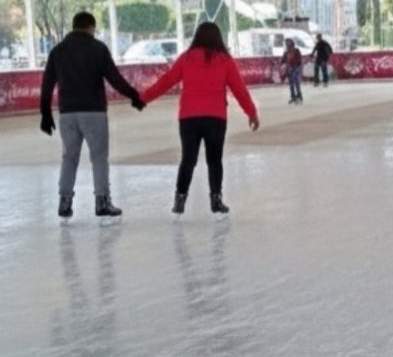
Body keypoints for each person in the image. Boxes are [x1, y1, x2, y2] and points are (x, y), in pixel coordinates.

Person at [141, 22, 260, 215]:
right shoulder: (225, 61)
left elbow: (167, 81)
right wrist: (251, 112)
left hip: (189, 117)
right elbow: (239, 89)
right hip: (216, 118)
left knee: (188, 159)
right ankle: (216, 200)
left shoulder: (186, 58)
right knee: (214, 160)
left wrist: (144, 98)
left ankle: (180, 198)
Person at [40, 12, 146, 221]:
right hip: (93, 112)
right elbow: (115, 79)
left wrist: (45, 113)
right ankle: (102, 201)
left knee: (69, 157)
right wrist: (134, 95)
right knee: (98, 157)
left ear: (74, 26)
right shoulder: (98, 49)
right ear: (91, 27)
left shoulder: (58, 51)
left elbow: (47, 84)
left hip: (67, 113)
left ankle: (64, 201)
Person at [282, 38, 303, 104]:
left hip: (295, 69)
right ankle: (293, 97)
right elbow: (283, 60)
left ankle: (299, 97)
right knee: (291, 85)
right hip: (290, 70)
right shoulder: (286, 52)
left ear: (291, 43)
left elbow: (299, 60)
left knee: (297, 84)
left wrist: (297, 67)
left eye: (288, 43)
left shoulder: (296, 51)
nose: (286, 44)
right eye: (286, 43)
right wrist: (281, 62)